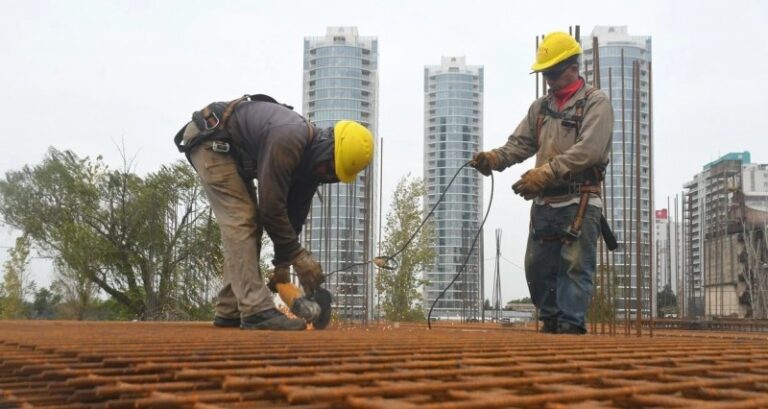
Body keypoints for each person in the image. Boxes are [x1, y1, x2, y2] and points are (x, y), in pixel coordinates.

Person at [175, 95, 374, 330]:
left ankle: (231, 309)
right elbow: (271, 207)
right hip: (211, 141)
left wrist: (282, 265)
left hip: (229, 149)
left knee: (248, 222)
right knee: (243, 219)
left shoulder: (313, 167)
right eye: (328, 165)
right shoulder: (289, 139)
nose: (325, 173)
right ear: (327, 145)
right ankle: (256, 310)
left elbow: (292, 217)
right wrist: (298, 257)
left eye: (333, 175)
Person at [471, 32, 614, 334]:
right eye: (545, 72)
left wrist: (546, 173)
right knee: (537, 270)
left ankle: (571, 330)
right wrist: (493, 159)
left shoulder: (595, 103)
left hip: (579, 202)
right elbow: (519, 145)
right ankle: (550, 327)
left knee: (574, 271)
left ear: (572, 67)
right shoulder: (541, 108)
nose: (548, 78)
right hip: (545, 205)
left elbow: (590, 151)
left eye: (553, 72)